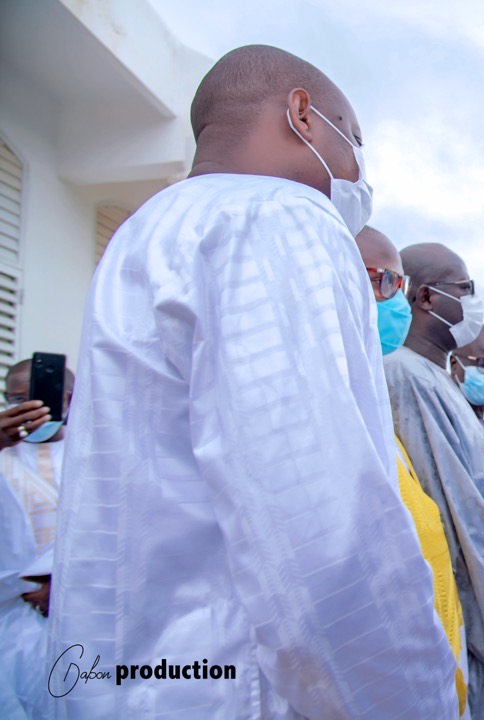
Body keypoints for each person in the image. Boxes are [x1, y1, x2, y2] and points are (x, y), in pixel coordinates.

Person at [48, 45, 457, 718]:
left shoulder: (143, 233)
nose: (360, 171)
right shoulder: (279, 215)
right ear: (302, 115)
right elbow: (321, 527)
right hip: (241, 686)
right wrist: (412, 701)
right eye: (354, 139)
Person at [384, 243, 484, 719]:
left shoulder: (439, 380)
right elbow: (462, 534)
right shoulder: (406, 377)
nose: (474, 301)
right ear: (426, 298)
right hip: (483, 632)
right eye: (465, 288)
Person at [355, 226, 469, 716]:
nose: (395, 300)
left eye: (399, 285)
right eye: (385, 282)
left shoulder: (368, 400)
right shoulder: (397, 377)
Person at [0, 359, 72, 717]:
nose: (26, 408)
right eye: (14, 399)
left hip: (82, 615)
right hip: (11, 619)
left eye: (37, 396)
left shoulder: (95, 454)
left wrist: (66, 584)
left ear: (68, 398)